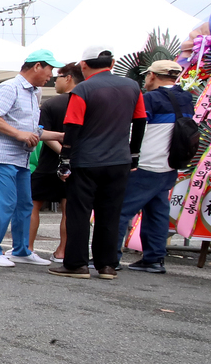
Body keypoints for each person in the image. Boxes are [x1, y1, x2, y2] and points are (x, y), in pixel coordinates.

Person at [49, 45, 147, 279]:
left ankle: (76, 265)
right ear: (112, 64)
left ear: (83, 65)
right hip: (119, 160)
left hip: (86, 161)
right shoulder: (133, 87)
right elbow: (141, 120)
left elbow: (72, 125)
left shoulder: (83, 90)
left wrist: (65, 158)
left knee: (79, 213)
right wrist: (134, 154)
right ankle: (107, 266)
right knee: (110, 212)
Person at [0, 49, 64, 267]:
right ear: (37, 66)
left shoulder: (34, 94)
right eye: (50, 69)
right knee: (6, 203)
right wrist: (18, 134)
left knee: (25, 205)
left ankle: (21, 250)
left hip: (19, 159)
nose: (51, 75)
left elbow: (34, 131)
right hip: (0, 157)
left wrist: (63, 135)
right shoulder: (9, 87)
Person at [118, 59, 194, 273]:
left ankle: (109, 258)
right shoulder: (186, 98)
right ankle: (154, 259)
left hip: (146, 164)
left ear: (152, 75)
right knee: (157, 211)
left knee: (121, 209)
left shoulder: (150, 99)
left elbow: (135, 129)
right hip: (170, 164)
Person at [31, 63, 82, 263]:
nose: (55, 80)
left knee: (33, 204)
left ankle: (27, 247)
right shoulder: (87, 102)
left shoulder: (53, 104)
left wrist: (62, 152)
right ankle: (62, 251)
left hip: (48, 163)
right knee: (68, 207)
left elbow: (41, 132)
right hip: (78, 162)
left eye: (58, 77)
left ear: (68, 78)